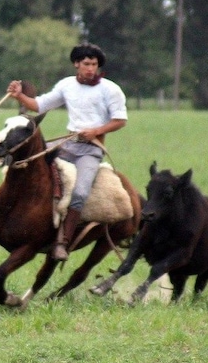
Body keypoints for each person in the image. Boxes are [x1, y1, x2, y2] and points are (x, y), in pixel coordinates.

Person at [7, 43, 128, 262]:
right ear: (76, 64)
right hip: (68, 144)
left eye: (94, 64)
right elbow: (39, 105)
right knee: (33, 172)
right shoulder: (66, 85)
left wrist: (96, 131)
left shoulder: (110, 89)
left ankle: (63, 243)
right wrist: (19, 96)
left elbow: (120, 120)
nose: (91, 68)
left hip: (91, 150)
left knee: (80, 192)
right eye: (86, 64)